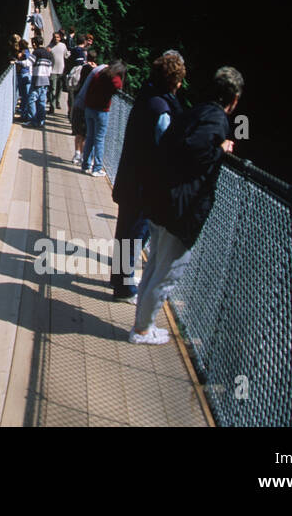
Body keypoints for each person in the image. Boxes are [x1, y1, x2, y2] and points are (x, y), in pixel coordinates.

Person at [130, 66, 244, 345]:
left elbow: (172, 143)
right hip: (179, 208)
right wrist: (221, 149)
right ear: (235, 98)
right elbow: (195, 148)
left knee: (154, 264)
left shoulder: (192, 111)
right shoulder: (216, 120)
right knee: (166, 272)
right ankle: (142, 329)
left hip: (157, 197)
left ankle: (141, 322)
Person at [109, 52, 186, 301]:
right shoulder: (162, 109)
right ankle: (124, 287)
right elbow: (166, 148)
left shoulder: (146, 97)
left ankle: (119, 279)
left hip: (130, 176)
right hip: (144, 184)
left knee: (126, 232)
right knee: (135, 234)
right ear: (175, 81)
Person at [82, 58, 125, 176]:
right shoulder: (113, 77)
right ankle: (97, 168)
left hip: (89, 108)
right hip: (101, 111)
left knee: (90, 137)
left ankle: (85, 165)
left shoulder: (100, 72)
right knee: (99, 139)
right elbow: (119, 86)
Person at [68, 48, 99, 162]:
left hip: (79, 100)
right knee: (86, 132)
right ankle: (83, 156)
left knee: (78, 131)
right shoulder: (95, 71)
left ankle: (77, 154)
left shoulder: (82, 68)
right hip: (89, 104)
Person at [27, 37, 53, 127]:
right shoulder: (49, 54)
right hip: (46, 80)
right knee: (42, 101)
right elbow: (50, 70)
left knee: (31, 100)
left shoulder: (36, 52)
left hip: (37, 79)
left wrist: (17, 62)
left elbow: (28, 63)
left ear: (34, 43)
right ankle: (41, 121)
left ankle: (33, 121)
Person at [49, 31, 68, 112]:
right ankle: (52, 106)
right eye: (54, 37)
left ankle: (58, 101)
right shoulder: (49, 47)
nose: (56, 39)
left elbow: (66, 55)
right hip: (52, 70)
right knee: (52, 88)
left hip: (61, 70)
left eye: (57, 37)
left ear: (60, 38)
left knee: (59, 88)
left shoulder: (63, 46)